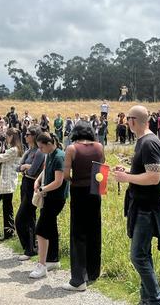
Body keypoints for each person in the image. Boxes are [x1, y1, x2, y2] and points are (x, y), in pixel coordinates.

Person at [112, 106, 160, 305]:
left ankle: (155, 300)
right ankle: (147, 300)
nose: (126, 122)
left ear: (133, 120)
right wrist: (128, 170)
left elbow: (154, 177)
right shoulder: (146, 141)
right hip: (143, 206)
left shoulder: (148, 143)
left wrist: (126, 177)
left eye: (128, 119)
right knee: (144, 255)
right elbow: (146, 171)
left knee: (138, 257)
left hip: (147, 208)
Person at [62, 121, 104, 292]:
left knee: (78, 233)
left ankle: (78, 278)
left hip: (79, 192)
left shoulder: (72, 149)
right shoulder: (99, 146)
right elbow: (101, 167)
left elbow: (66, 174)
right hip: (95, 191)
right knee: (94, 230)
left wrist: (73, 180)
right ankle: (93, 272)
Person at [29, 132, 67, 279]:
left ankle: (42, 265)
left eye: (41, 147)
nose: (40, 150)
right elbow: (45, 171)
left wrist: (42, 189)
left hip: (56, 198)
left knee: (41, 230)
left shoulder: (59, 157)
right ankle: (53, 259)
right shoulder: (49, 154)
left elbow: (59, 181)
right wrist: (37, 180)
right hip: (49, 196)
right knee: (51, 228)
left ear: (49, 144)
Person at [0, 127, 23, 240]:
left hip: (7, 182)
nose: (6, 138)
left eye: (7, 136)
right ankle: (6, 232)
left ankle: (2, 232)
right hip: (6, 181)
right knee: (5, 206)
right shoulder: (15, 148)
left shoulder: (14, 150)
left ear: (12, 137)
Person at [15, 125, 45, 260]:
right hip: (25, 183)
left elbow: (33, 172)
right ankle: (30, 248)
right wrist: (26, 167)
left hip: (32, 185)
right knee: (29, 217)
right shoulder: (29, 150)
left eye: (28, 134)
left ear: (34, 136)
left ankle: (29, 247)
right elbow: (18, 167)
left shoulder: (39, 152)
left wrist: (25, 168)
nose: (25, 136)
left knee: (21, 218)